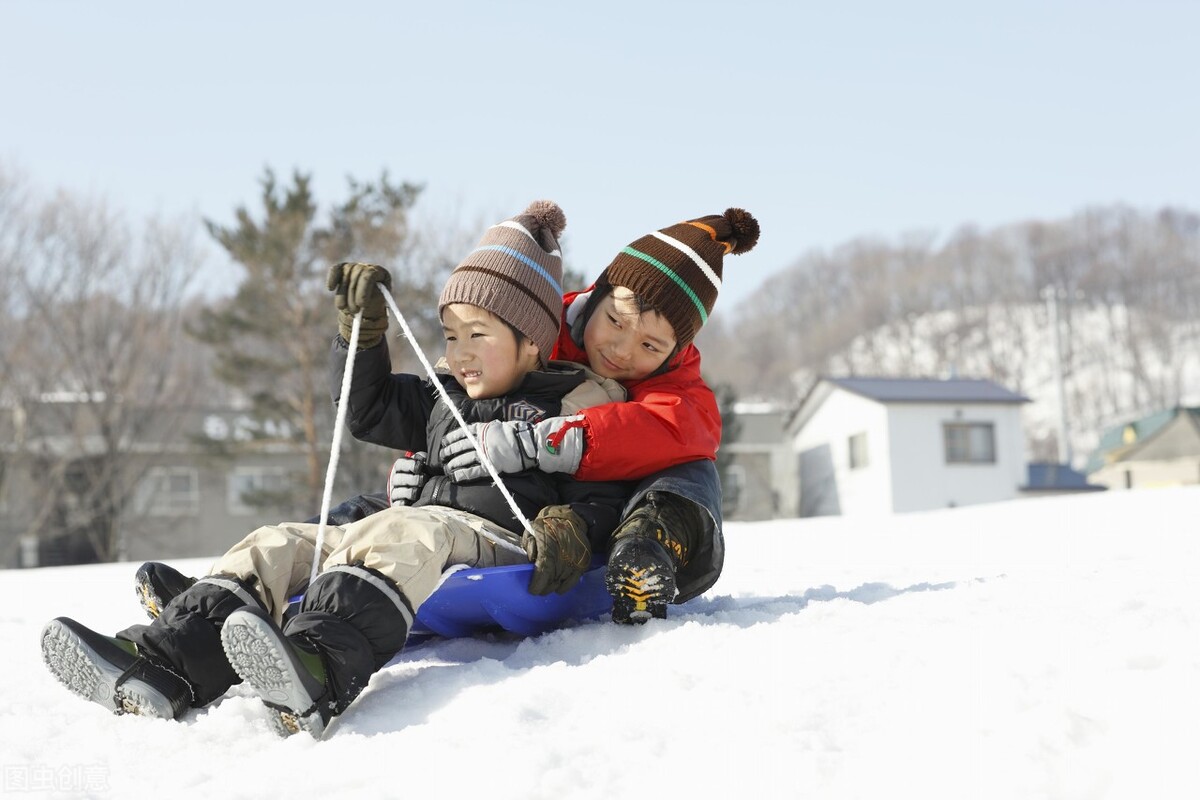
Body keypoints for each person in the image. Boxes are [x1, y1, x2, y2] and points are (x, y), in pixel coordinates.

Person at [40, 201, 630, 737]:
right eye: (450, 335)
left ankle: (318, 663)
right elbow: (365, 409)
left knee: (403, 528)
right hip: (412, 534)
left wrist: (574, 528)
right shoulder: (439, 396)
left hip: (500, 541)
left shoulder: (575, 401)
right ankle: (168, 661)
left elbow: (606, 480)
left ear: (533, 342)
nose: (460, 352)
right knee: (280, 542)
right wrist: (362, 336)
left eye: (480, 335)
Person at [134, 206, 761, 623]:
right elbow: (447, 399)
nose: (622, 350)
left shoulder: (668, 390)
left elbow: (666, 431)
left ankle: (646, 555)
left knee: (684, 472)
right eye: (615, 322)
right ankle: (219, 600)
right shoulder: (531, 322)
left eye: (650, 346)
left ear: (677, 352)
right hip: (466, 496)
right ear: (593, 297)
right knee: (359, 516)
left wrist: (540, 443)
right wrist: (417, 460)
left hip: (577, 505)